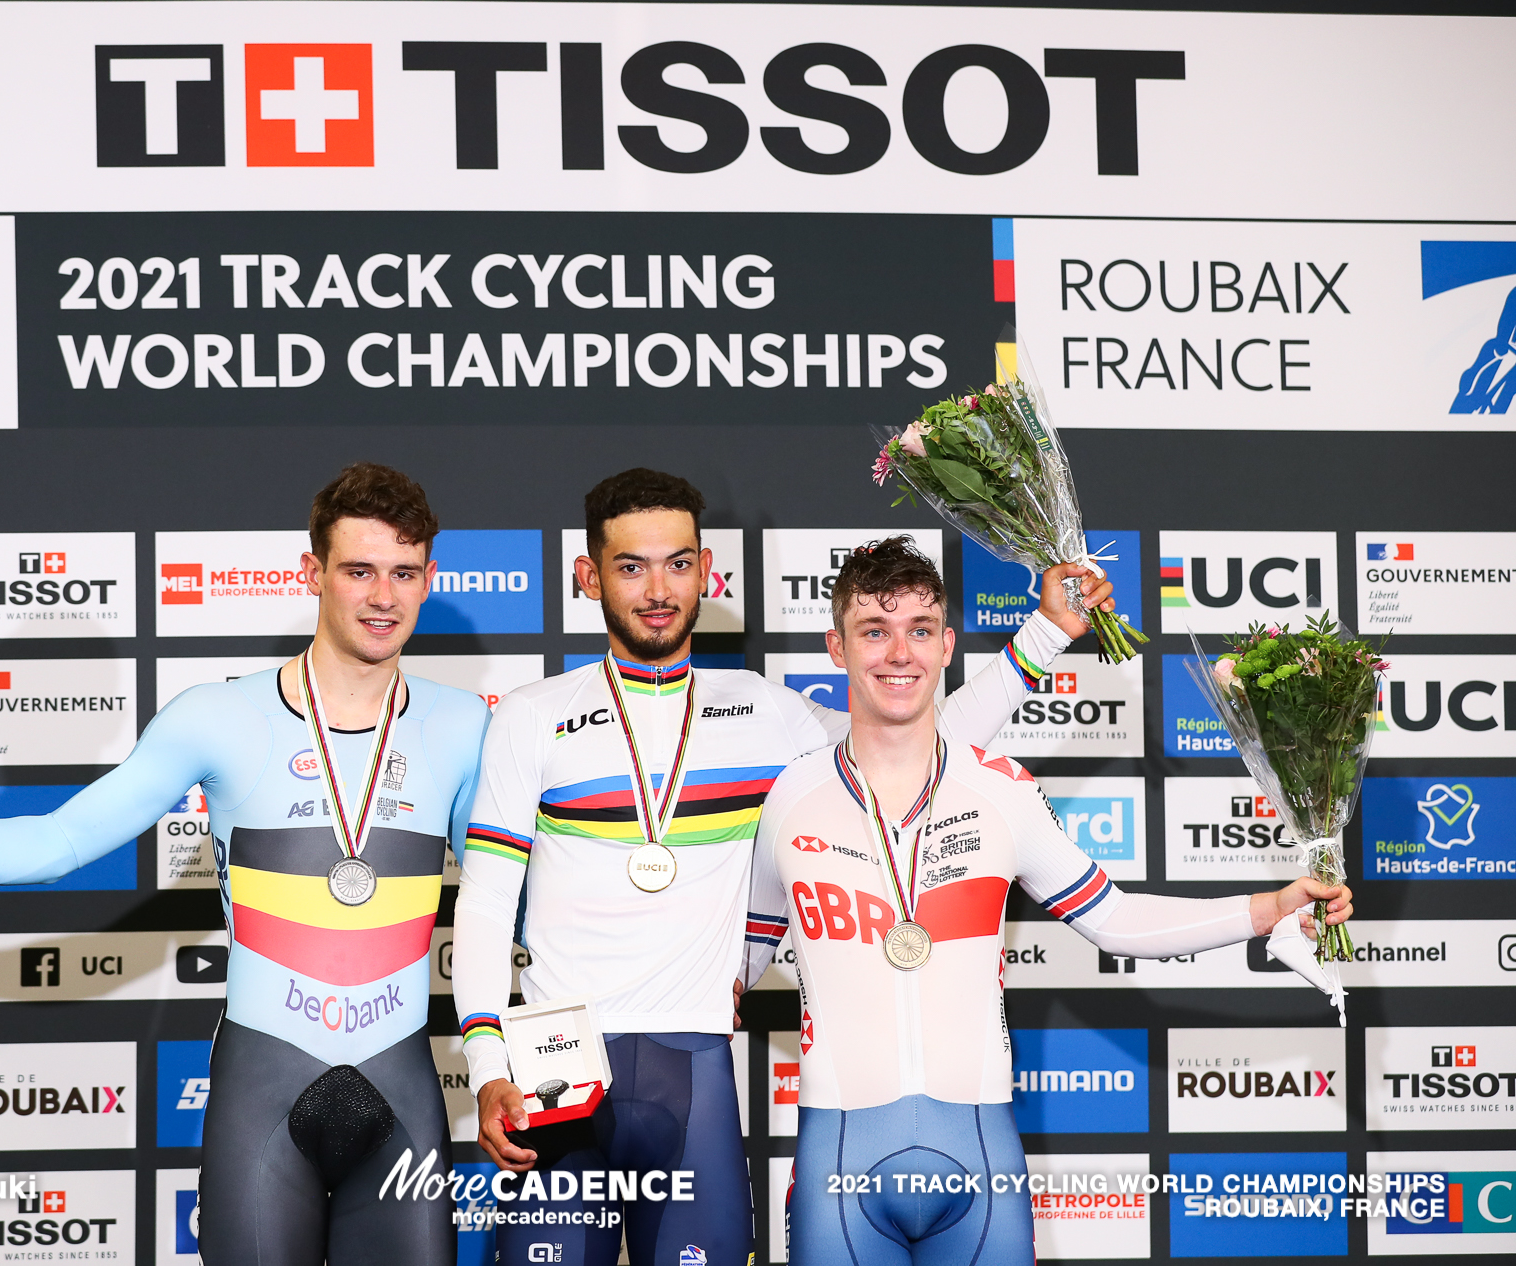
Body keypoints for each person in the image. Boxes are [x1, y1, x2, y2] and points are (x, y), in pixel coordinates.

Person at [0, 464, 489, 1266]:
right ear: (313, 573)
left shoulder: (464, 725)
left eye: (404, 573)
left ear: (430, 578)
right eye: (359, 570)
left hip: (403, 1084)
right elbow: (62, 841)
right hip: (264, 1084)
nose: (382, 596)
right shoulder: (219, 717)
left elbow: (506, 904)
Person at [452, 469, 1119, 1266]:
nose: (658, 588)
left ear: (705, 569)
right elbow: (488, 904)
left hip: (693, 1063)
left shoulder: (763, 711)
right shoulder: (533, 715)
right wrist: (488, 1062)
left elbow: (912, 727)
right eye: (631, 566)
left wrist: (1045, 632)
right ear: (589, 575)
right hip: (555, 1074)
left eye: (677, 562)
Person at [743, 538, 1353, 1266]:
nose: (897, 653)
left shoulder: (1002, 789)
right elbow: (733, 965)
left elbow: (1117, 919)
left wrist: (1273, 905)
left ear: (948, 645)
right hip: (837, 1159)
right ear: (836, 648)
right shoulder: (793, 797)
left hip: (979, 1153)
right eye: (874, 630)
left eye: (919, 630)